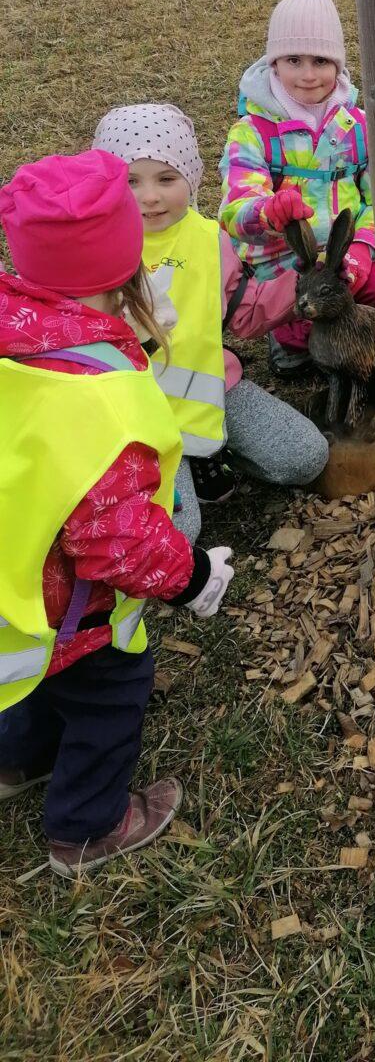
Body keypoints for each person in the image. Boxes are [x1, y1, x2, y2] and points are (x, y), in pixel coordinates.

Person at [0, 150, 234, 877]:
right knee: (110, 692)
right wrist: (194, 576)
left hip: (13, 579)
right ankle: (87, 827)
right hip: (69, 601)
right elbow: (116, 538)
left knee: (28, 675)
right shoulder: (99, 393)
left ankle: (18, 761)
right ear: (125, 267)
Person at [93, 104, 329, 542]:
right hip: (138, 421)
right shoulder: (94, 249)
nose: (149, 196)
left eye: (166, 178)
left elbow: (245, 312)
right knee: (180, 534)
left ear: (192, 178)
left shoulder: (211, 240)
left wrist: (304, 286)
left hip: (213, 389)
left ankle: (213, 449)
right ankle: (176, 465)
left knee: (307, 457)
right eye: (130, 181)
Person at [219, 0, 375, 376]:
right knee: (297, 305)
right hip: (285, 260)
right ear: (274, 63)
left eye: (322, 61)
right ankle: (290, 339)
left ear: (338, 65)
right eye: (294, 60)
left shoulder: (358, 125)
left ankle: (353, 341)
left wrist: (361, 249)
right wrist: (268, 212)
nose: (308, 75)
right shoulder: (252, 131)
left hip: (344, 254)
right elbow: (235, 210)